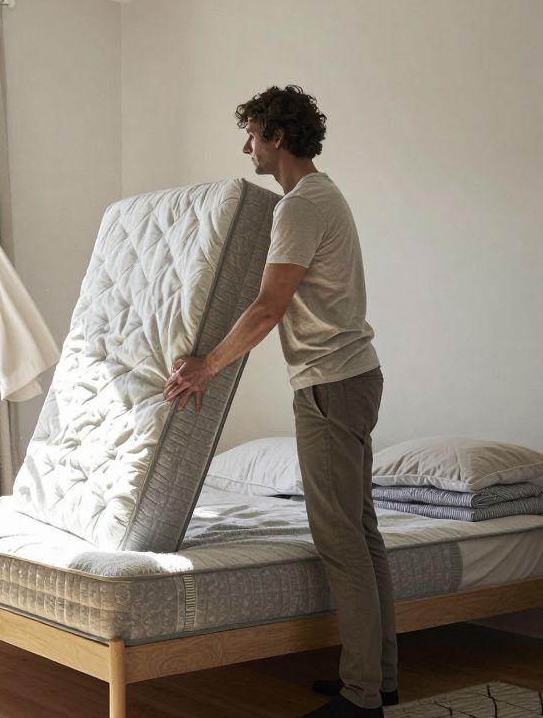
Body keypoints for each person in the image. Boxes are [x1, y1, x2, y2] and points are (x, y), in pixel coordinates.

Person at [164, 85, 395, 718]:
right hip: (353, 378)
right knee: (363, 532)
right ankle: (380, 677)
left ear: (279, 138)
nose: (247, 146)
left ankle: (361, 697)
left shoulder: (299, 207)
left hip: (329, 384)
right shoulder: (325, 197)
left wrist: (205, 366)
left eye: (254, 134)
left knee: (340, 540)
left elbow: (269, 308)